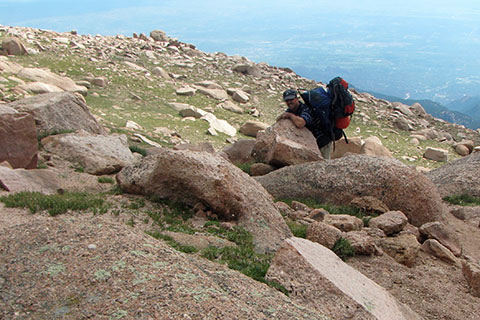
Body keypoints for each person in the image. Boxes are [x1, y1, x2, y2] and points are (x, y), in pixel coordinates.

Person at [276, 89, 333, 159]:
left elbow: (300, 123)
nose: (289, 102)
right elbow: (279, 120)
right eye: (287, 100)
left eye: (291, 99)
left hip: (322, 141)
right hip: (311, 144)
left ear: (297, 99)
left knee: (324, 164)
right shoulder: (291, 110)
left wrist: (290, 115)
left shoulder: (306, 109)